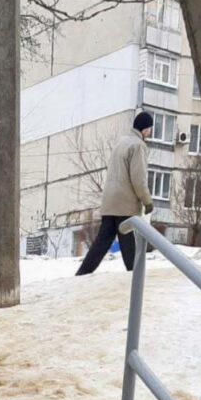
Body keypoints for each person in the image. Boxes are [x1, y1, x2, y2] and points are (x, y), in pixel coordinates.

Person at [76, 111, 155, 276]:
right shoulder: (138, 146)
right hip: (125, 202)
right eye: (150, 129)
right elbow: (138, 178)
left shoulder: (121, 143)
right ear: (145, 129)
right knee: (127, 240)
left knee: (103, 241)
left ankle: (83, 272)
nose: (150, 132)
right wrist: (147, 200)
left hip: (110, 201)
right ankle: (135, 277)